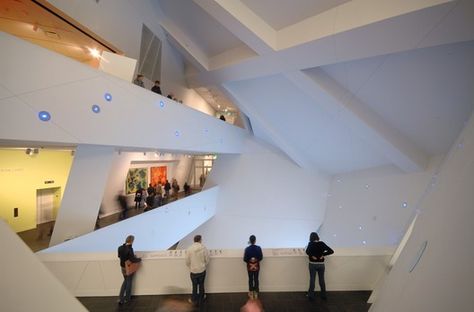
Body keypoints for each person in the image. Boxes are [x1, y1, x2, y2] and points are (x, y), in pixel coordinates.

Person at [305, 232, 334, 301]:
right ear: (317, 237)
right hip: (321, 264)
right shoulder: (322, 243)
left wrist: (312, 255)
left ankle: (311, 295)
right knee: (322, 280)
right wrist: (323, 255)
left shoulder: (310, 244)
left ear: (311, 237)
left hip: (312, 264)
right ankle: (323, 295)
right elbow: (331, 251)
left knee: (312, 279)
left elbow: (307, 252)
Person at [185, 235, 210, 306]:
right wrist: (204, 265)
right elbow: (207, 259)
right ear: (200, 240)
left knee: (194, 286)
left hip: (193, 271)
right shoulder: (204, 248)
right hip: (202, 270)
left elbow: (187, 261)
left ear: (194, 240)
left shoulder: (189, 249)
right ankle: (202, 298)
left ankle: (193, 299)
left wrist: (191, 267)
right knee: (201, 285)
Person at [117, 235, 142, 305]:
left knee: (125, 281)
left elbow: (119, 256)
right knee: (129, 282)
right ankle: (127, 298)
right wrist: (139, 259)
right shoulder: (130, 249)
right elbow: (133, 259)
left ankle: (120, 298)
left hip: (122, 267)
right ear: (131, 241)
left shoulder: (120, 247)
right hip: (128, 267)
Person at [244, 235, 263, 299]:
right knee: (256, 279)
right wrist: (255, 261)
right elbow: (261, 258)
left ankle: (251, 293)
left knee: (250, 279)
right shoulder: (259, 248)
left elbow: (245, 259)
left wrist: (251, 261)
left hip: (249, 267)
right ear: (255, 240)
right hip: (257, 267)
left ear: (250, 240)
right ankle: (256, 293)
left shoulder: (247, 249)